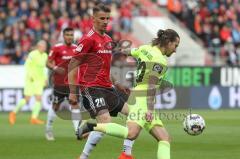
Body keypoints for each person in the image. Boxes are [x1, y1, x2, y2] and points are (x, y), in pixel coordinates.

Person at [79, 29, 180, 159]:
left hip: (137, 95)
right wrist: (149, 109)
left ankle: (125, 154)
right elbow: (150, 86)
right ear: (167, 42)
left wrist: (118, 49)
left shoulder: (145, 49)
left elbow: (128, 52)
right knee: (131, 133)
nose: (175, 50)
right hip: (144, 100)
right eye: (175, 45)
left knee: (164, 138)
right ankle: (93, 126)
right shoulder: (160, 61)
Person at [68, 4, 135, 159]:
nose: (105, 21)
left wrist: (118, 84)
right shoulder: (88, 39)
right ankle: (84, 152)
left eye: (107, 18)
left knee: (135, 115)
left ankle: (126, 154)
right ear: (93, 19)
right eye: (102, 18)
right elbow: (72, 65)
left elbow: (106, 67)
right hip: (91, 88)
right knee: (105, 121)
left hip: (108, 88)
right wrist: (73, 92)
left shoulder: (108, 39)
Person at [45, 27, 82, 141]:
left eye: (71, 35)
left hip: (72, 84)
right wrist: (56, 68)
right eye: (67, 35)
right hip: (59, 83)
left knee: (75, 105)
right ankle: (48, 129)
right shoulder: (57, 48)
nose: (70, 37)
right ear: (63, 36)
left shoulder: (77, 48)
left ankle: (77, 132)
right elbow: (47, 63)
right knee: (55, 106)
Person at [9, 40, 48, 125]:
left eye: (45, 46)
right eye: (43, 46)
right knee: (27, 99)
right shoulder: (32, 54)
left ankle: (34, 118)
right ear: (39, 46)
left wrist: (45, 78)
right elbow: (27, 65)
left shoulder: (45, 56)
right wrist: (30, 76)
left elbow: (44, 68)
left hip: (39, 80)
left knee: (39, 99)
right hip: (31, 80)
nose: (45, 48)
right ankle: (13, 112)